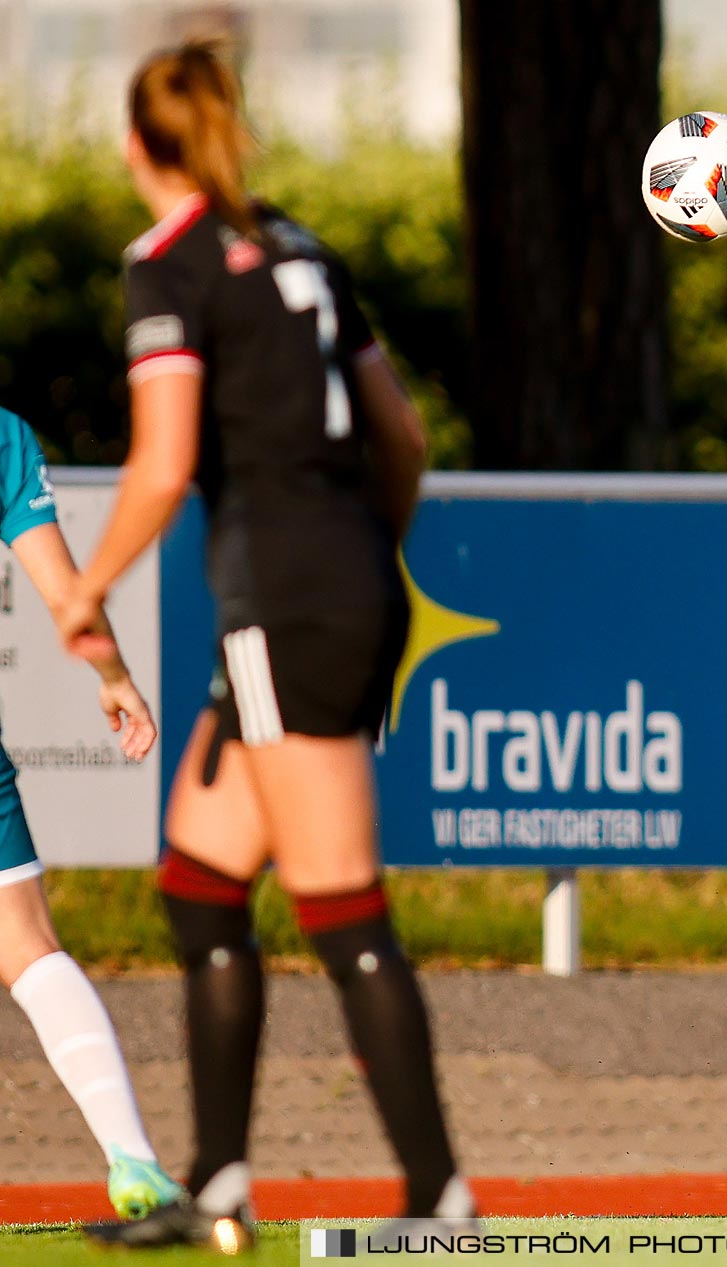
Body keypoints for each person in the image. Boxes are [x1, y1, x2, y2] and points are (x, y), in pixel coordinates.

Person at [68, 42, 470, 1250]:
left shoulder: (167, 266)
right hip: (338, 582)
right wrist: (357, 561)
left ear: (138, 145)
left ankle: (439, 1200)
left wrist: (84, 591)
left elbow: (162, 462)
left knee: (341, 907)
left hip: (283, 603)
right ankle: (222, 1183)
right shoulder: (302, 249)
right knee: (199, 882)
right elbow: (401, 442)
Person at [0, 407, 183, 1220]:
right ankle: (133, 1158)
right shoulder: (3, 435)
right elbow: (63, 591)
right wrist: (113, 676)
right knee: (30, 950)